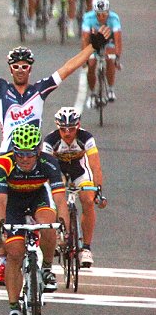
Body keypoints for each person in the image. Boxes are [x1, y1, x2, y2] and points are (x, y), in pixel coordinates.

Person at [0, 20, 110, 285]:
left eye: (24, 67)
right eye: (16, 67)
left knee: (48, 211)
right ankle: (2, 260)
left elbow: (67, 68)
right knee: (2, 205)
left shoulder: (39, 90)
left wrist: (92, 48)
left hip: (35, 157)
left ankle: (47, 266)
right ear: (10, 69)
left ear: (30, 69)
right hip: (8, 156)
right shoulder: (0, 88)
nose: (20, 71)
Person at [0, 124, 68, 315]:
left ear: (38, 152)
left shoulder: (49, 162)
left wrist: (64, 227)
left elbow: (60, 199)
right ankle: (14, 310)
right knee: (15, 253)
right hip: (12, 202)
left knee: (49, 224)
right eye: (20, 154)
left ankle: (46, 268)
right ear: (13, 151)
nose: (25, 159)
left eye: (30, 154)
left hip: (37, 197)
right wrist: (1, 228)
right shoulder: (3, 163)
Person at [42, 107, 107, 267]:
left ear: (78, 126)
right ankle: (60, 234)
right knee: (57, 198)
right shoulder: (50, 141)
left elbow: (95, 166)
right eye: (63, 129)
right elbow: (47, 167)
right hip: (59, 171)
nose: (67, 133)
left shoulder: (86, 138)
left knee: (88, 200)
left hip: (80, 171)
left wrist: (98, 191)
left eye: (71, 128)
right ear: (58, 127)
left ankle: (86, 248)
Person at [81, 0, 122, 106]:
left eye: (104, 14)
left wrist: (117, 57)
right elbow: (85, 39)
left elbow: (117, 39)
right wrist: (85, 58)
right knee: (91, 64)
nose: (102, 17)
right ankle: (93, 93)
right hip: (93, 42)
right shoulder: (88, 18)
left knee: (110, 60)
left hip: (109, 42)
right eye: (98, 14)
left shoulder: (114, 18)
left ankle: (110, 89)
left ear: (108, 12)